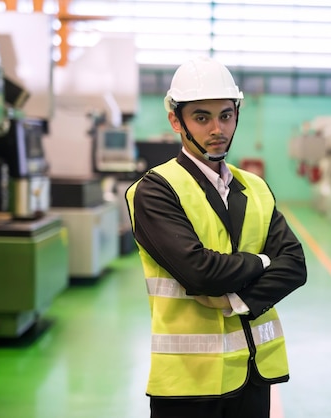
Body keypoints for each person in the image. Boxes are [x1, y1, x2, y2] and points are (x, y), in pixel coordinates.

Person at [125, 56, 308, 418]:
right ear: (176, 120)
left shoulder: (255, 187)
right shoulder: (155, 190)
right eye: (202, 117)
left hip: (254, 374)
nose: (217, 129)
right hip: (188, 383)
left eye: (225, 115)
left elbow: (296, 266)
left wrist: (236, 300)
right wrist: (262, 261)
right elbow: (200, 272)